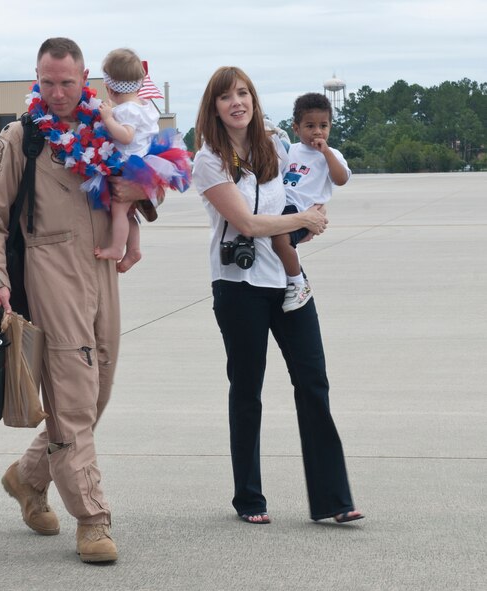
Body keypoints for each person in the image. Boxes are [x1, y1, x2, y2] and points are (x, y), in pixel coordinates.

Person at [0, 37, 155, 564]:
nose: (56, 92)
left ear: (85, 82)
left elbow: (144, 180)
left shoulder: (108, 129)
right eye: (46, 82)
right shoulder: (22, 138)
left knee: (97, 391)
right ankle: (93, 519)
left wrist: (138, 199)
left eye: (66, 83)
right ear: (36, 78)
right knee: (73, 398)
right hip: (48, 269)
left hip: (102, 269)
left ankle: (27, 477)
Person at [192, 67, 364, 525]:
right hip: (238, 287)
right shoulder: (209, 160)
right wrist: (302, 220)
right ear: (214, 107)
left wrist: (304, 220)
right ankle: (249, 498)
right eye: (226, 97)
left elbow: (295, 197)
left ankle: (333, 499)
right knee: (247, 390)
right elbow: (247, 224)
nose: (237, 102)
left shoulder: (273, 149)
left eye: (244, 93)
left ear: (254, 100)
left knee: (313, 381)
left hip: (289, 282)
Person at [94, 48, 192, 272]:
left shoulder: (126, 110)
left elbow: (126, 136)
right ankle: (134, 250)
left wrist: (108, 119)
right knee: (129, 212)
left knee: (119, 210)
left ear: (110, 87)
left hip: (130, 166)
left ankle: (118, 248)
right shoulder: (143, 105)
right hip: (145, 162)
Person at [272, 93, 350, 312]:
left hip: (301, 211)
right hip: (281, 206)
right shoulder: (290, 150)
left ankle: (297, 283)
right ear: (296, 129)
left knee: (279, 238)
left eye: (323, 125)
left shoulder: (332, 155)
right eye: (310, 126)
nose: (317, 131)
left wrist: (326, 153)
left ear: (330, 126)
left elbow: (341, 179)